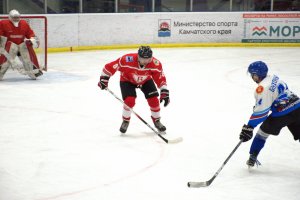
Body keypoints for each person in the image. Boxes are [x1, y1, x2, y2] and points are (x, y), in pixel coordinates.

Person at [239, 61, 300, 168]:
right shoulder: (274, 77)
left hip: (282, 114)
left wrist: (249, 127)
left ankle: (253, 156)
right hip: (298, 107)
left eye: (252, 75)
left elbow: (261, 113)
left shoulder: (262, 88)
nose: (252, 77)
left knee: (262, 133)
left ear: (256, 75)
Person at [98, 46, 170, 134]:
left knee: (154, 100)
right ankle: (125, 120)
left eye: (149, 59)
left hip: (145, 80)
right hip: (127, 80)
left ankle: (157, 120)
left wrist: (164, 91)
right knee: (129, 101)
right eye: (143, 59)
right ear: (138, 56)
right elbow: (109, 67)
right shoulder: (127, 60)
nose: (146, 61)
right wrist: (104, 79)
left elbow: (160, 78)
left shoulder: (155, 63)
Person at [0, 9, 43, 80]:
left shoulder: (24, 23)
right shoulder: (3, 23)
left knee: (26, 45)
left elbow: (30, 33)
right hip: (9, 46)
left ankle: (33, 72)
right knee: (7, 55)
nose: (16, 19)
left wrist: (32, 39)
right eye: (14, 17)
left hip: (21, 46)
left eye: (17, 17)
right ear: (10, 17)